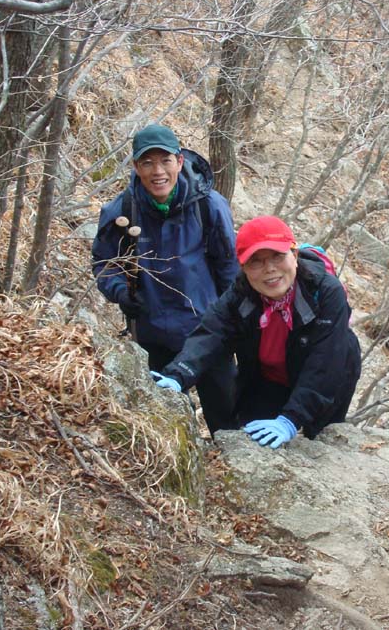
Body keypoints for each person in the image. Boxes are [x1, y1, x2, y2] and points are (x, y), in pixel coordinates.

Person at [150, 215, 361, 448]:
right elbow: (212, 334)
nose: (270, 269)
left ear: (295, 256)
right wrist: (178, 374)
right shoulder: (241, 294)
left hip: (331, 374)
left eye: (277, 256)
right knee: (252, 439)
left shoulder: (325, 292)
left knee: (319, 441)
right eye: (256, 261)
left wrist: (290, 420)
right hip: (268, 378)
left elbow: (325, 362)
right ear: (243, 268)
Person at [92, 123, 238, 434]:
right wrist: (121, 291)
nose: (157, 171)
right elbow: (105, 263)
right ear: (135, 167)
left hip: (209, 335)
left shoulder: (208, 206)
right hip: (153, 335)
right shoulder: (122, 210)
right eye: (147, 162)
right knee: (166, 427)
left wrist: (236, 324)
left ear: (180, 161)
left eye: (165, 161)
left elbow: (229, 269)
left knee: (228, 425)